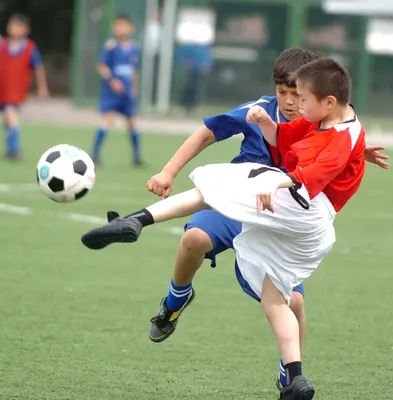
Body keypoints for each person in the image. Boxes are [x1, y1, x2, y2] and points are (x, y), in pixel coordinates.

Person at [81, 58, 367, 399]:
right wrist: (357, 152)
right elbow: (322, 138)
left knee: (212, 187)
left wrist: (281, 181)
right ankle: (294, 376)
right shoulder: (327, 119)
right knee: (249, 279)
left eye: (301, 95)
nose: (294, 102)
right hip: (293, 219)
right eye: (285, 93)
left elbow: (318, 168)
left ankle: (137, 219)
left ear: (322, 99)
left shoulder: (328, 126)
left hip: (285, 205)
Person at [91, 14, 142, 166]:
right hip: (112, 93)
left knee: (132, 123)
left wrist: (134, 88)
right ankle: (95, 154)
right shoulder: (111, 46)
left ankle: (136, 156)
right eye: (118, 25)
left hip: (126, 94)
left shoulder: (134, 49)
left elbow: (135, 71)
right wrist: (111, 80)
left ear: (130, 28)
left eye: (124, 25)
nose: (121, 28)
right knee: (108, 119)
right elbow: (101, 65)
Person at [0, 13, 49, 159]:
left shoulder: (30, 47)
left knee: (11, 114)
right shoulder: (2, 44)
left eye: (19, 26)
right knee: (8, 119)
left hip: (16, 90)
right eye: (13, 25)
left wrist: (42, 87)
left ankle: (15, 149)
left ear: (26, 30)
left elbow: (38, 68)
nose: (15, 29)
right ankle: (10, 147)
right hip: (2, 87)